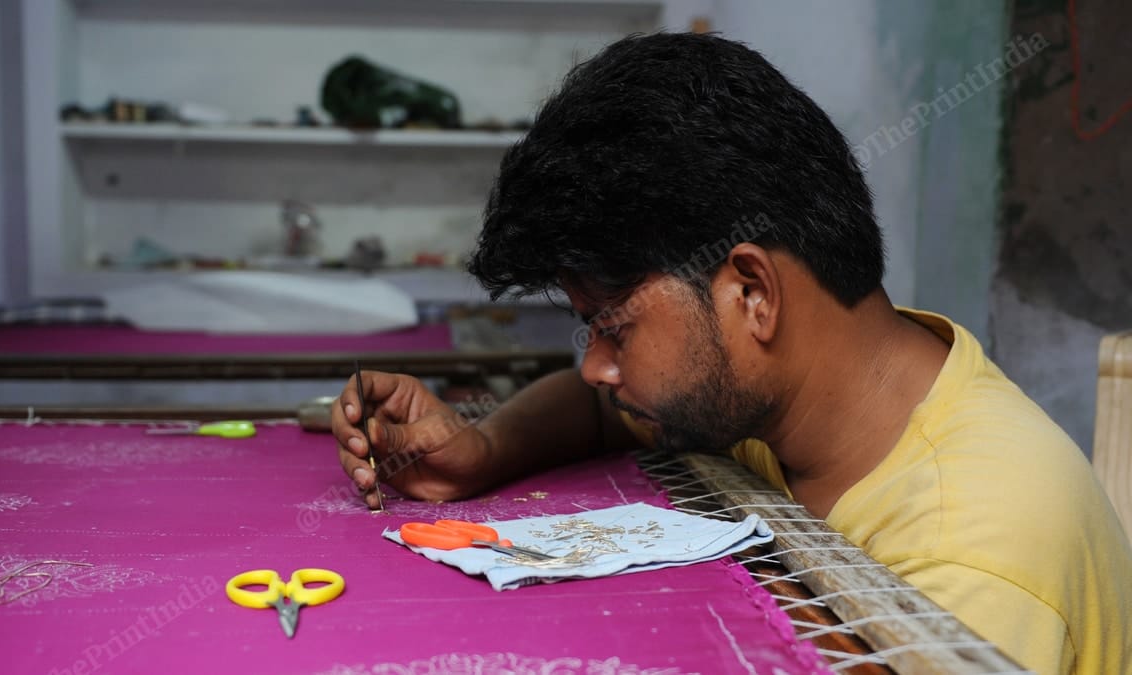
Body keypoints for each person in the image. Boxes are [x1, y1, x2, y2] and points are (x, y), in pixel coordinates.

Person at [331, 32, 1132, 674]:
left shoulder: (973, 560)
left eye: (614, 329)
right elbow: (602, 409)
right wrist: (485, 448)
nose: (596, 366)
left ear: (752, 292)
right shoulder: (805, 392)